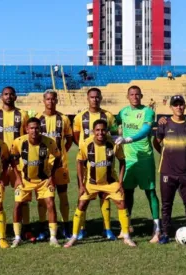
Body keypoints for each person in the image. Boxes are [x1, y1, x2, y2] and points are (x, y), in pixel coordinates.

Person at [64, 119, 136, 248]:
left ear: (107, 131)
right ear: (93, 131)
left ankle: (126, 236)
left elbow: (122, 161)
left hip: (110, 182)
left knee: (121, 203)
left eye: (103, 130)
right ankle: (74, 237)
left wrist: (120, 182)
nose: (100, 133)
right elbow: (79, 163)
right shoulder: (86, 144)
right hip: (91, 183)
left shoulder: (114, 143)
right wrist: (81, 185)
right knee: (81, 204)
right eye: (97, 130)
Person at [114, 86, 160, 242]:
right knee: (127, 192)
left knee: (150, 192)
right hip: (128, 159)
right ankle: (126, 226)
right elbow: (114, 124)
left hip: (145, 159)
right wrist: (112, 134)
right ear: (127, 96)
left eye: (137, 94)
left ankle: (157, 227)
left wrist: (129, 139)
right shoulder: (123, 112)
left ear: (141, 96)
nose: (134, 97)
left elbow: (146, 130)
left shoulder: (148, 111)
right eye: (131, 94)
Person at [72, 87, 117, 240]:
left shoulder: (108, 116)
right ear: (87, 98)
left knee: (105, 194)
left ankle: (107, 228)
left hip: (104, 158)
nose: (95, 99)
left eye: (97, 97)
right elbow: (76, 137)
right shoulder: (79, 117)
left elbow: (115, 136)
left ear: (101, 98)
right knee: (83, 194)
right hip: (86, 160)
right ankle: (82, 228)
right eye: (92, 97)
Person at [0, 86, 31, 241]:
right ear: (1, 96)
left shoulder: (23, 114)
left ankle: (25, 228)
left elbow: (27, 138)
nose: (8, 96)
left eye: (11, 94)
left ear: (16, 97)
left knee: (22, 196)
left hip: (18, 162)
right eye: (6, 94)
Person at [10, 118, 62, 248]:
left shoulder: (49, 142)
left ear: (40, 129)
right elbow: (12, 158)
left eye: (37, 128)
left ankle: (53, 237)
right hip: (25, 180)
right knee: (17, 205)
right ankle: (17, 237)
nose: (34, 130)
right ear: (27, 129)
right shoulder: (19, 142)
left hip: (44, 180)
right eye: (31, 128)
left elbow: (58, 157)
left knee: (50, 203)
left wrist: (52, 176)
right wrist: (17, 177)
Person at [153, 95, 186, 244]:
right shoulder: (164, 124)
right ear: (171, 107)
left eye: (181, 104)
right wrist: (167, 154)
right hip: (167, 171)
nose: (178, 107)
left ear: (185, 106)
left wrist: (181, 153)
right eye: (175, 105)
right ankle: (165, 233)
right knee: (166, 204)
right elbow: (156, 142)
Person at [34, 90, 73, 240]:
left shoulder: (63, 119)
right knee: (43, 198)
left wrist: (61, 153)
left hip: (61, 164)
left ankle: (65, 226)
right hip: (42, 166)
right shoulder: (37, 119)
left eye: (53, 99)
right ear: (43, 101)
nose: (50, 101)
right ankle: (43, 227)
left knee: (63, 195)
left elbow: (69, 140)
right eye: (48, 99)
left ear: (57, 101)